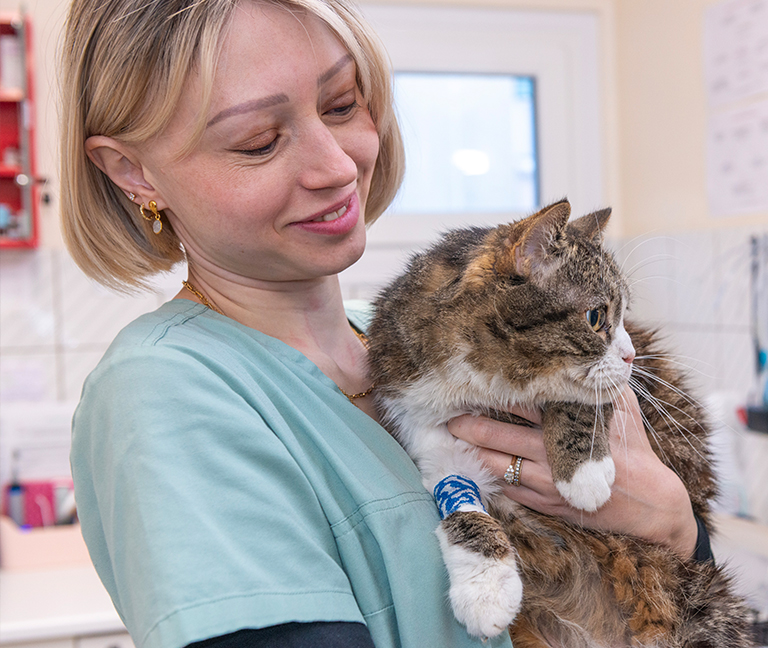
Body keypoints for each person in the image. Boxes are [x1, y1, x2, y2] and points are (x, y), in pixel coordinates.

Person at [60, 1, 709, 647]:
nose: (338, 168)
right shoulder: (167, 394)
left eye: (342, 104)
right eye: (259, 140)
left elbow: (674, 600)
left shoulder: (406, 344)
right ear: (134, 171)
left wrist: (677, 525)